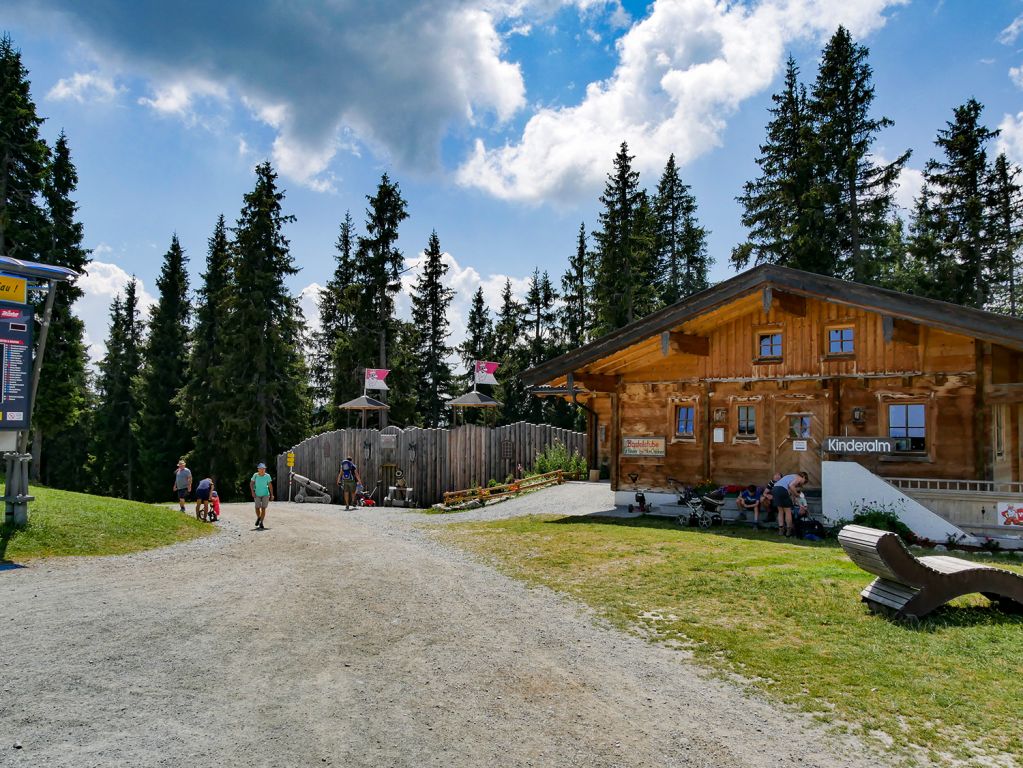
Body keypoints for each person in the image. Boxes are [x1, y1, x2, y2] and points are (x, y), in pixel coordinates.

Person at [772, 471, 808, 537]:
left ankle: (781, 530)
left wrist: (800, 505)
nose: (803, 484)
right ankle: (788, 531)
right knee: (788, 511)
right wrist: (797, 494)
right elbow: (791, 486)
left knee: (780, 511)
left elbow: (790, 493)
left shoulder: (790, 476)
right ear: (804, 477)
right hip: (782, 489)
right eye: (804, 482)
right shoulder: (798, 477)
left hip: (775, 488)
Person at [250, 462, 274, 530]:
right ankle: (259, 518)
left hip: (265, 494)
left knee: (263, 508)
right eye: (261, 469)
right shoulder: (255, 475)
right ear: (258, 469)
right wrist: (252, 492)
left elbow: (270, 485)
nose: (262, 470)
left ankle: (261, 522)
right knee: (257, 507)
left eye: (263, 469)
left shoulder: (267, 476)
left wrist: (272, 494)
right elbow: (251, 484)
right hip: (257, 494)